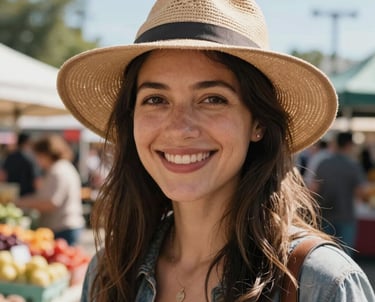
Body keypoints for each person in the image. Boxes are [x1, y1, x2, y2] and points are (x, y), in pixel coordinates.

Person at [57, 0, 375, 301]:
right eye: (155, 99)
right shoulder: (108, 271)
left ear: (258, 123)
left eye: (213, 99)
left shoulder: (318, 283)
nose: (179, 128)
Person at [15, 134, 85, 245]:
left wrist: (22, 202)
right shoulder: (62, 167)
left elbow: (52, 203)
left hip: (62, 228)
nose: (37, 160)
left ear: (46, 154)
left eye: (38, 156)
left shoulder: (58, 171)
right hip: (64, 227)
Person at [311, 132, 369, 255]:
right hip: (346, 216)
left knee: (324, 255)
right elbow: (361, 192)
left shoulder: (323, 163)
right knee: (344, 257)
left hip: (325, 215)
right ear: (349, 145)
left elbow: (313, 190)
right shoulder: (354, 166)